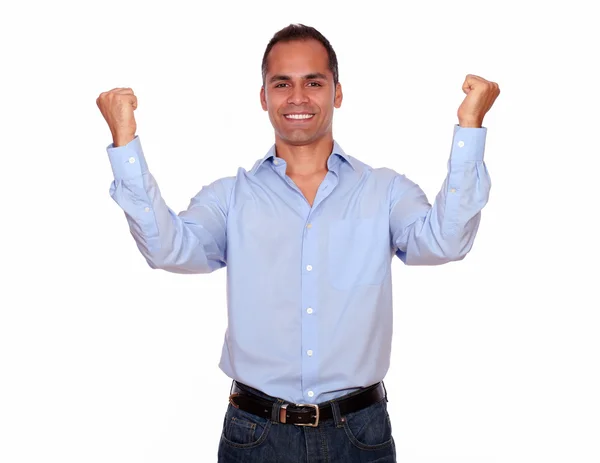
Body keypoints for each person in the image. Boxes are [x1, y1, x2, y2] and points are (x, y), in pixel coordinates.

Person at [97, 23, 499, 463]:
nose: (298, 97)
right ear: (264, 97)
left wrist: (470, 126)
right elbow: (166, 248)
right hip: (256, 435)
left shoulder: (385, 191)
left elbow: (444, 242)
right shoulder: (231, 197)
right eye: (282, 83)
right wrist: (125, 141)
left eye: (314, 82)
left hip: (360, 433)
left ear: (337, 93)